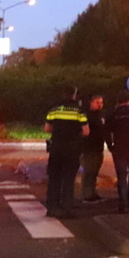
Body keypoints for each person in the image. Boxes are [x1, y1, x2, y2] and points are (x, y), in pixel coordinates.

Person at [44, 86, 89, 219]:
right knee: (68, 179)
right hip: (72, 149)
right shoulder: (79, 110)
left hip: (56, 148)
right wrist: (75, 133)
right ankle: (66, 209)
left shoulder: (54, 109)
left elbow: (47, 128)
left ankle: (52, 207)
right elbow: (86, 131)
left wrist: (59, 131)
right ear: (73, 95)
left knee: (54, 178)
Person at [81, 95, 106, 203]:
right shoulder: (87, 115)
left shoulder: (101, 115)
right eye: (97, 102)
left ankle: (93, 192)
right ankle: (87, 194)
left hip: (98, 147)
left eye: (101, 102)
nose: (99, 104)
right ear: (91, 103)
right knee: (88, 172)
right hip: (88, 148)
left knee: (94, 172)